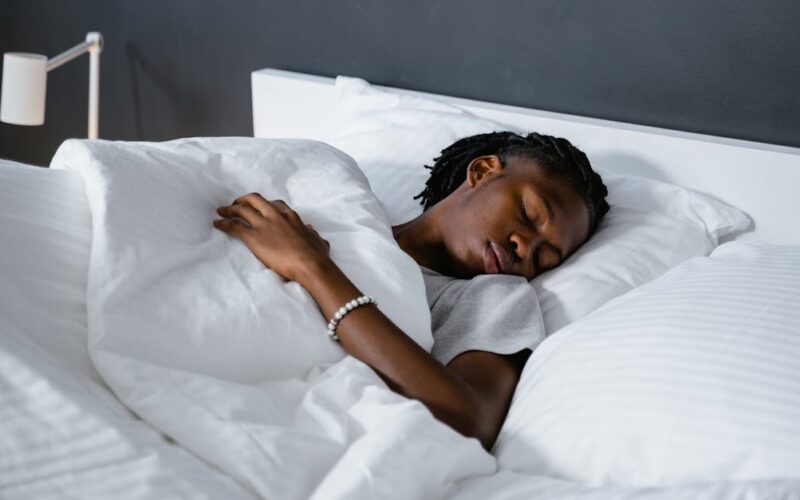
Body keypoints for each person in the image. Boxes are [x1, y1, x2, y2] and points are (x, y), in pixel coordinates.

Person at [212, 131, 609, 450]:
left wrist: (314, 269)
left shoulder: (494, 297)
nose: (526, 248)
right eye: (529, 213)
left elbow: (472, 419)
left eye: (545, 257)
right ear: (483, 171)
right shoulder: (347, 212)